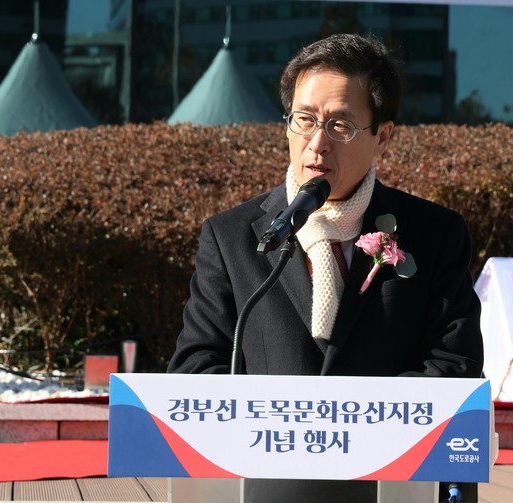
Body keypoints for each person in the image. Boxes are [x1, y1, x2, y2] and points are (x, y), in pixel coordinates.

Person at [168, 33, 483, 503]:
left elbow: (454, 366)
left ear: (383, 135)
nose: (317, 143)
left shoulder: (435, 234)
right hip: (265, 487)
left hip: (392, 486)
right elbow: (195, 367)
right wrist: (282, 425)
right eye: (304, 120)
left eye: (340, 125)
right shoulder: (231, 237)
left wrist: (350, 424)